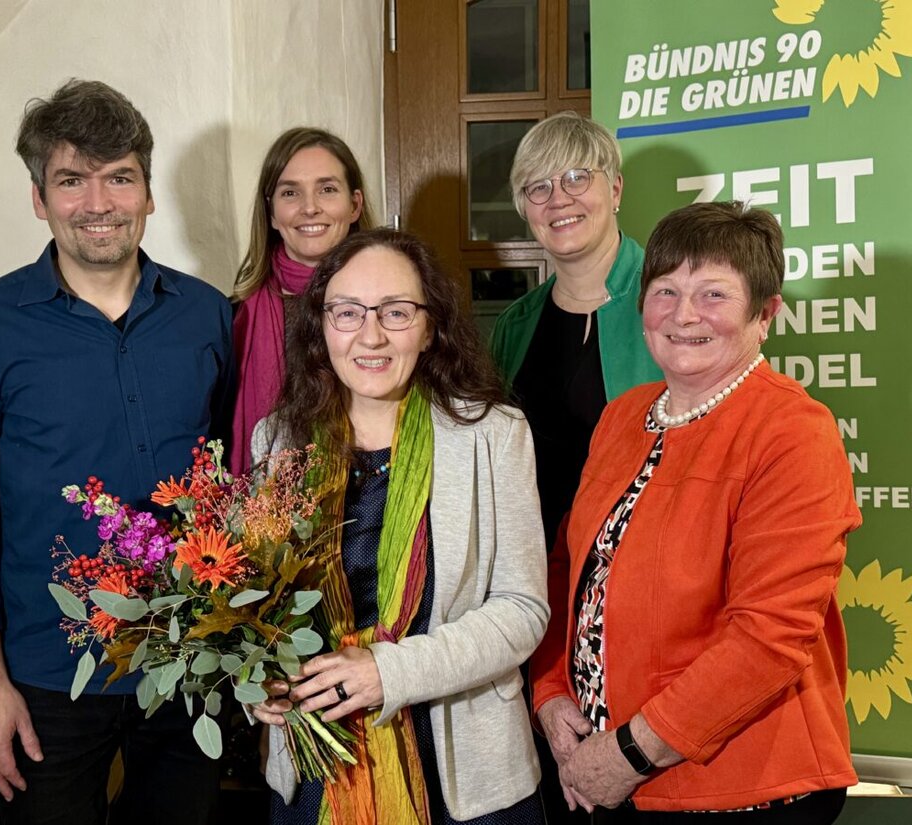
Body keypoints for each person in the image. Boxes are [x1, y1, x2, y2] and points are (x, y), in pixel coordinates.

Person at [0, 79, 234, 824]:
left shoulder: (207, 315)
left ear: (148, 193)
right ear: (39, 198)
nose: (98, 202)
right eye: (71, 180)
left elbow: (235, 481)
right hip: (45, 673)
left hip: (192, 660)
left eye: (119, 177)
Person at [531, 201, 861, 824]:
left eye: (713, 294)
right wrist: (550, 694)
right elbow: (568, 568)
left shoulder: (793, 431)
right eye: (666, 291)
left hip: (740, 787)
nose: (683, 315)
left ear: (765, 314)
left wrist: (629, 754)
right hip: (600, 770)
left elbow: (768, 638)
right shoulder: (622, 417)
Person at [251, 228, 550, 824]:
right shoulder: (278, 441)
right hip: (321, 761)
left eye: (396, 311)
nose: (371, 335)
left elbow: (523, 610)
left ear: (430, 327)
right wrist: (259, 677)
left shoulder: (493, 435)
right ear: (321, 326)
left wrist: (387, 673)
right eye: (347, 312)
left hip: (463, 769)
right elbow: (259, 605)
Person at [491, 111, 661, 552]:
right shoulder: (514, 325)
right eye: (538, 187)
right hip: (536, 567)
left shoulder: (671, 301)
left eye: (576, 178)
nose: (558, 200)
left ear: (615, 189)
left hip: (643, 559)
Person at [230, 126, 376, 475]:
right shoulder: (234, 318)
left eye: (327, 189)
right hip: (269, 498)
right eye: (290, 192)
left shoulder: (394, 307)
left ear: (354, 205)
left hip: (378, 490)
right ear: (271, 212)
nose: (310, 208)